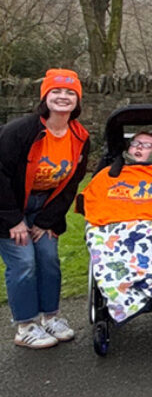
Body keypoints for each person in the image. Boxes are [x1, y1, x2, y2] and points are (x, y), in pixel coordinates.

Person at [0, 69, 90, 349]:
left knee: (48, 258)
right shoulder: (20, 131)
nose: (63, 97)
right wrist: (14, 220)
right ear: (45, 97)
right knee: (24, 262)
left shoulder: (80, 137)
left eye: (70, 93)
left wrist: (48, 221)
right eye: (56, 91)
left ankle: (51, 318)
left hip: (45, 206)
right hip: (9, 204)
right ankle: (25, 325)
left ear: (77, 100)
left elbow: (72, 182)